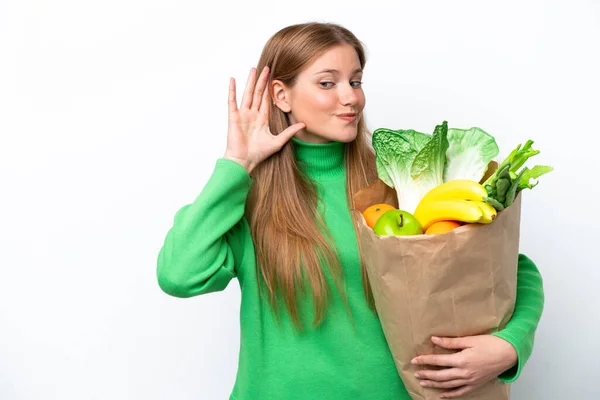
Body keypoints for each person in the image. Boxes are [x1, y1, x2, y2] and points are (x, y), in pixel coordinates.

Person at [156, 22, 544, 400]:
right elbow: (180, 275)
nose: (351, 97)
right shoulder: (245, 197)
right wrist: (236, 164)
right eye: (328, 83)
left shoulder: (398, 183)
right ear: (281, 96)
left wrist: (510, 346)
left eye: (355, 81)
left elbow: (503, 266)